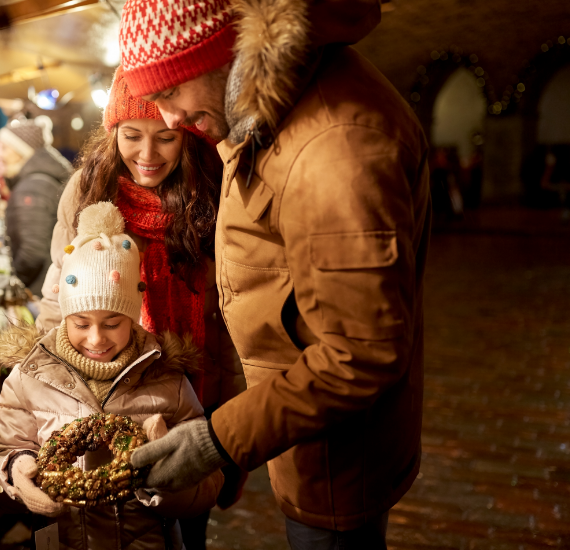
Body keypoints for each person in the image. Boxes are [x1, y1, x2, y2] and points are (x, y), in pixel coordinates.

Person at [118, 0, 432, 548]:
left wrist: (216, 439)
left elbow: (359, 354)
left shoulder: (334, 149)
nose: (168, 120)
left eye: (171, 93)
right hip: (304, 425)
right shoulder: (268, 107)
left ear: (225, 56)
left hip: (337, 453)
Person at [37, 67, 248, 547]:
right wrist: (51, 379)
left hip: (199, 381)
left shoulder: (212, 191)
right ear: (113, 133)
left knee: (192, 515)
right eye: (132, 135)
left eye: (166, 138)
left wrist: (238, 414)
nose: (146, 155)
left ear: (186, 136)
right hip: (114, 381)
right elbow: (60, 291)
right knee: (117, 516)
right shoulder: (88, 190)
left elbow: (232, 311)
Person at [0, 201, 224, 549]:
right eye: (81, 324)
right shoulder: (30, 378)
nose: (96, 338)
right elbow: (2, 451)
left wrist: (163, 474)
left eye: (113, 323)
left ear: (134, 318)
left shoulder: (169, 383)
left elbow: (207, 487)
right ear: (64, 316)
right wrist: (17, 472)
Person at [1, 121, 73, 300]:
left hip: (40, 291)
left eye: (6, 148)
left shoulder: (33, 187)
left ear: (21, 151)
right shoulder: (40, 179)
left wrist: (15, 283)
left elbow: (32, 252)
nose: (1, 155)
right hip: (49, 285)